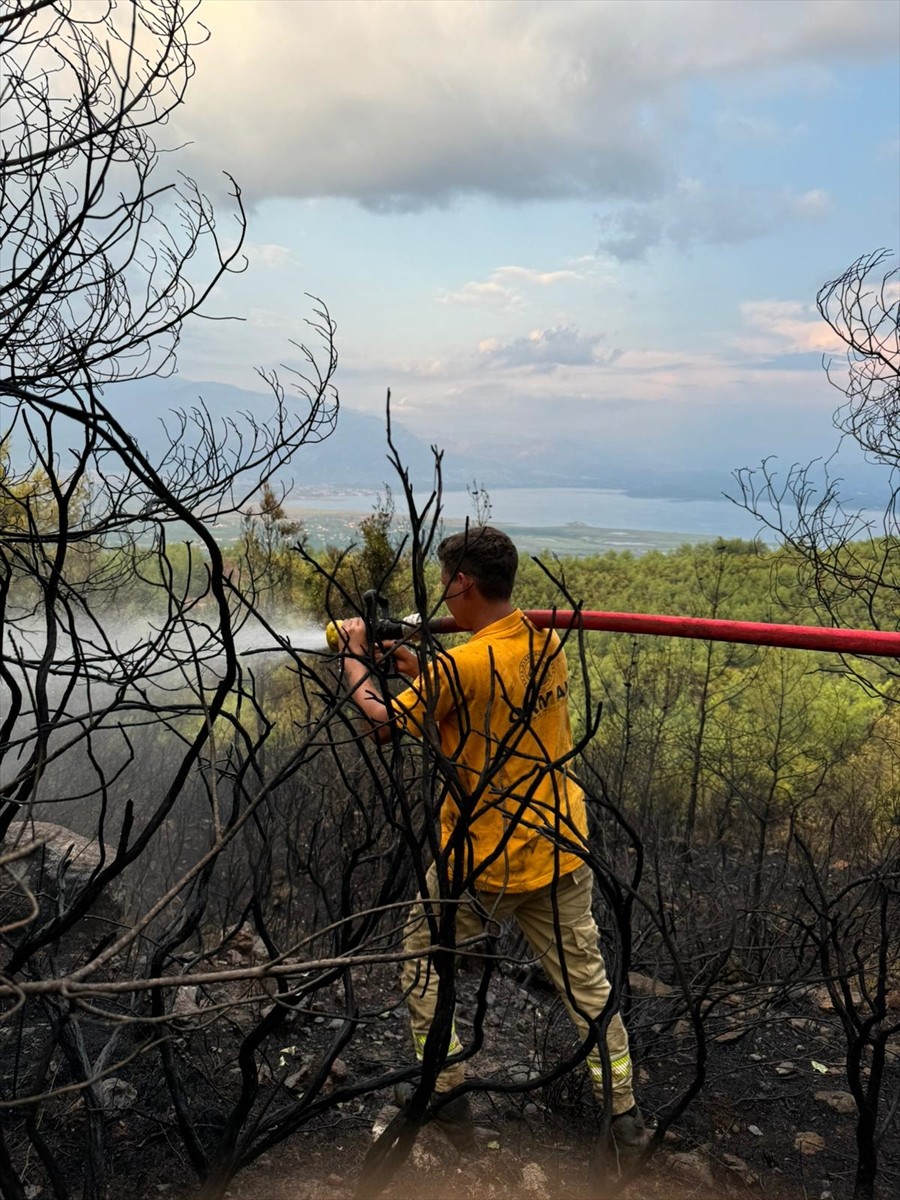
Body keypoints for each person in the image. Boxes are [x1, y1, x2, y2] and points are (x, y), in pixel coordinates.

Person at [339, 526, 644, 1159]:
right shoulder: (544, 641)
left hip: (486, 858)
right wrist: (425, 671)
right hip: (561, 842)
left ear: (462, 583)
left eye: (446, 579)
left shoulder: (464, 664)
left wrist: (352, 654)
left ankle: (445, 1095)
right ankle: (625, 1120)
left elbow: (385, 725)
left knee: (422, 961)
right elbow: (491, 705)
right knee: (587, 984)